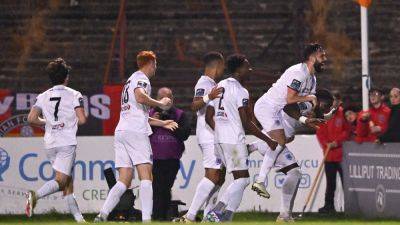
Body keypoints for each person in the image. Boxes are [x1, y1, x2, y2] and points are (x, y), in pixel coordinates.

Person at [94, 51, 178, 223]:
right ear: (150, 63)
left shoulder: (129, 81)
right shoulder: (142, 79)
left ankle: (102, 215)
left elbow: (138, 113)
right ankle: (147, 219)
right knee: (146, 174)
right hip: (135, 132)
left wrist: (163, 123)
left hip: (122, 131)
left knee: (124, 179)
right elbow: (140, 97)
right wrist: (160, 104)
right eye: (155, 63)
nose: (156, 67)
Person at [204, 54, 277, 222]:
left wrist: (221, 132)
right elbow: (246, 122)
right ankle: (215, 212)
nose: (250, 70)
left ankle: (227, 217)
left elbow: (209, 117)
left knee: (241, 181)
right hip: (233, 141)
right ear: (238, 70)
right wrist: (268, 140)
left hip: (220, 141)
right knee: (243, 179)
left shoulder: (219, 85)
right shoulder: (241, 91)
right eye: (247, 67)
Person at [251, 43, 327, 202]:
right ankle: (260, 180)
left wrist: (311, 116)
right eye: (322, 56)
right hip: (266, 107)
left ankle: (252, 147)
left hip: (278, 111)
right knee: (280, 140)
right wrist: (310, 99)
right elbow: (290, 99)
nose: (325, 59)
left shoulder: (312, 79)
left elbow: (299, 106)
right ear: (312, 57)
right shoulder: (298, 73)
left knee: (285, 138)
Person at [248, 89, 333, 221]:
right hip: (274, 142)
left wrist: (328, 115)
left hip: (275, 140)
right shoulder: (309, 104)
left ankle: (252, 147)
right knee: (294, 172)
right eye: (326, 106)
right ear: (319, 100)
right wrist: (303, 119)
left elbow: (317, 117)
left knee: (295, 173)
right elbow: (288, 107)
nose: (326, 109)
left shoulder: (312, 107)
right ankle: (283, 214)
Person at [25, 58, 87, 222]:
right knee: (61, 181)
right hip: (66, 142)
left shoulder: (43, 96)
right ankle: (35, 196)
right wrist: (68, 121)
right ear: (66, 77)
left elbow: (31, 118)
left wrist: (49, 122)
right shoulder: (75, 94)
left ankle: (79, 219)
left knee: (67, 183)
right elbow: (82, 120)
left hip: (50, 143)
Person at [173, 52, 225, 222]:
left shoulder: (213, 83)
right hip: (208, 135)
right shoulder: (204, 82)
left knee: (220, 176)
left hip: (214, 134)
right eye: (223, 66)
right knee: (213, 174)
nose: (224, 70)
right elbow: (194, 105)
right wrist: (209, 96)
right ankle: (190, 216)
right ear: (217, 66)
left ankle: (209, 216)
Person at [150, 87, 191, 221]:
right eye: (162, 98)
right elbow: (140, 133)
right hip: (154, 159)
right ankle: (158, 217)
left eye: (168, 98)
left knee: (166, 186)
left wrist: (173, 125)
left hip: (172, 159)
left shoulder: (179, 115)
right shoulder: (150, 115)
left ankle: (162, 216)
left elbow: (185, 134)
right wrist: (154, 123)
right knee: (157, 188)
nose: (165, 102)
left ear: (172, 99)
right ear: (157, 99)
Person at [316, 94, 350, 213]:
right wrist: (326, 143)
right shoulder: (325, 114)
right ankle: (329, 206)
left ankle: (350, 207)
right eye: (333, 100)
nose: (334, 102)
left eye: (336, 100)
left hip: (342, 156)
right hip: (329, 156)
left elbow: (347, 131)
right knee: (330, 184)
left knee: (346, 182)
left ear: (340, 102)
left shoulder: (343, 114)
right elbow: (320, 132)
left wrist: (337, 142)